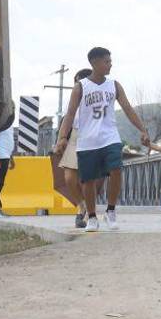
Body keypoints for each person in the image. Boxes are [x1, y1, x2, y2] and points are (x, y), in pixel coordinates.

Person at [53, 48, 149, 232]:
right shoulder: (81, 87)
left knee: (116, 170)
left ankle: (111, 211)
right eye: (107, 61)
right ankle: (91, 217)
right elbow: (70, 114)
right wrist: (62, 138)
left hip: (110, 137)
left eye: (110, 61)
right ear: (95, 63)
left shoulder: (114, 85)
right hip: (87, 140)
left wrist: (143, 130)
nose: (110, 64)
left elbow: (128, 109)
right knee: (87, 180)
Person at [49, 68, 92, 228]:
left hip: (93, 138)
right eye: (76, 82)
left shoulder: (97, 97)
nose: (77, 86)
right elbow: (67, 118)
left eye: (80, 82)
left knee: (87, 179)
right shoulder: (73, 99)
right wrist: (61, 139)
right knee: (69, 178)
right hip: (75, 136)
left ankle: (87, 213)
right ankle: (81, 204)